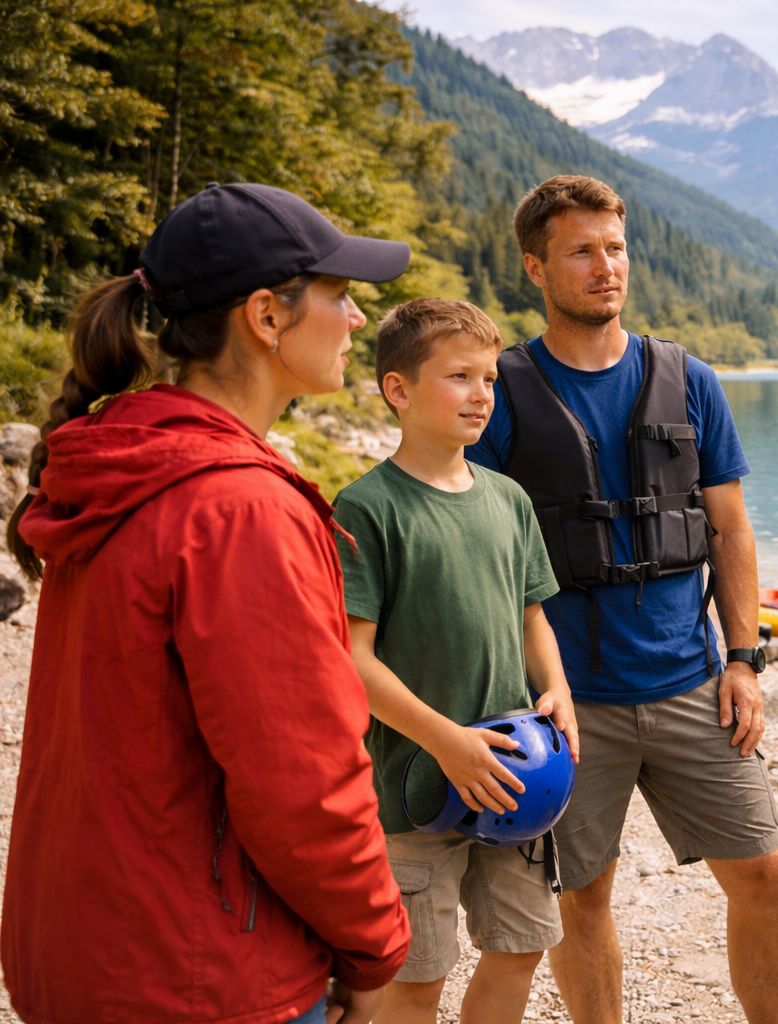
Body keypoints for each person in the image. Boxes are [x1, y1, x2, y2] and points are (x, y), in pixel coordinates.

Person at [1, 183, 414, 1023]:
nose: (359, 320)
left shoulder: (126, 463)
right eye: (339, 295)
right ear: (266, 317)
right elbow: (304, 785)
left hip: (82, 947)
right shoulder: (238, 509)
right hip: (200, 975)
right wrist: (375, 953)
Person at [465, 174, 778, 1024]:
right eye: (581, 251)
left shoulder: (689, 380)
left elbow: (731, 530)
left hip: (691, 680)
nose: (605, 267)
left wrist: (747, 660)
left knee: (763, 871)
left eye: (615, 248)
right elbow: (477, 546)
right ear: (536, 268)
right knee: (584, 896)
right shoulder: (501, 391)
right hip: (569, 704)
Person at [334, 297, 579, 1024]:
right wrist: (448, 742)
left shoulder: (507, 499)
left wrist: (557, 688)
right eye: (460, 377)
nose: (482, 395)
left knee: (520, 947)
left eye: (491, 379)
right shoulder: (367, 507)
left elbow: (532, 614)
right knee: (417, 975)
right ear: (399, 390)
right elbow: (354, 659)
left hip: (519, 776)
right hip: (415, 789)